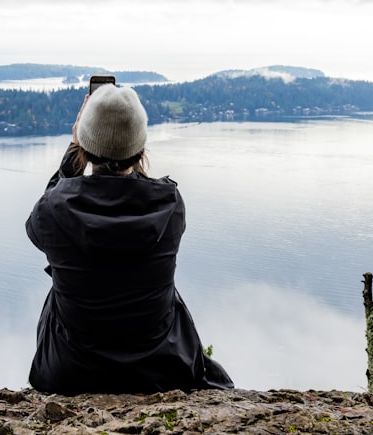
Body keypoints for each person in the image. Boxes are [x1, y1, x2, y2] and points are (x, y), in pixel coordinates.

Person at [26, 83, 233, 394]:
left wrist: (72, 157)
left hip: (71, 369)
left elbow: (38, 227)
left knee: (59, 283)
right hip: (161, 366)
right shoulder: (170, 205)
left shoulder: (53, 209)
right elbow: (137, 194)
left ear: (83, 141)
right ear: (140, 146)